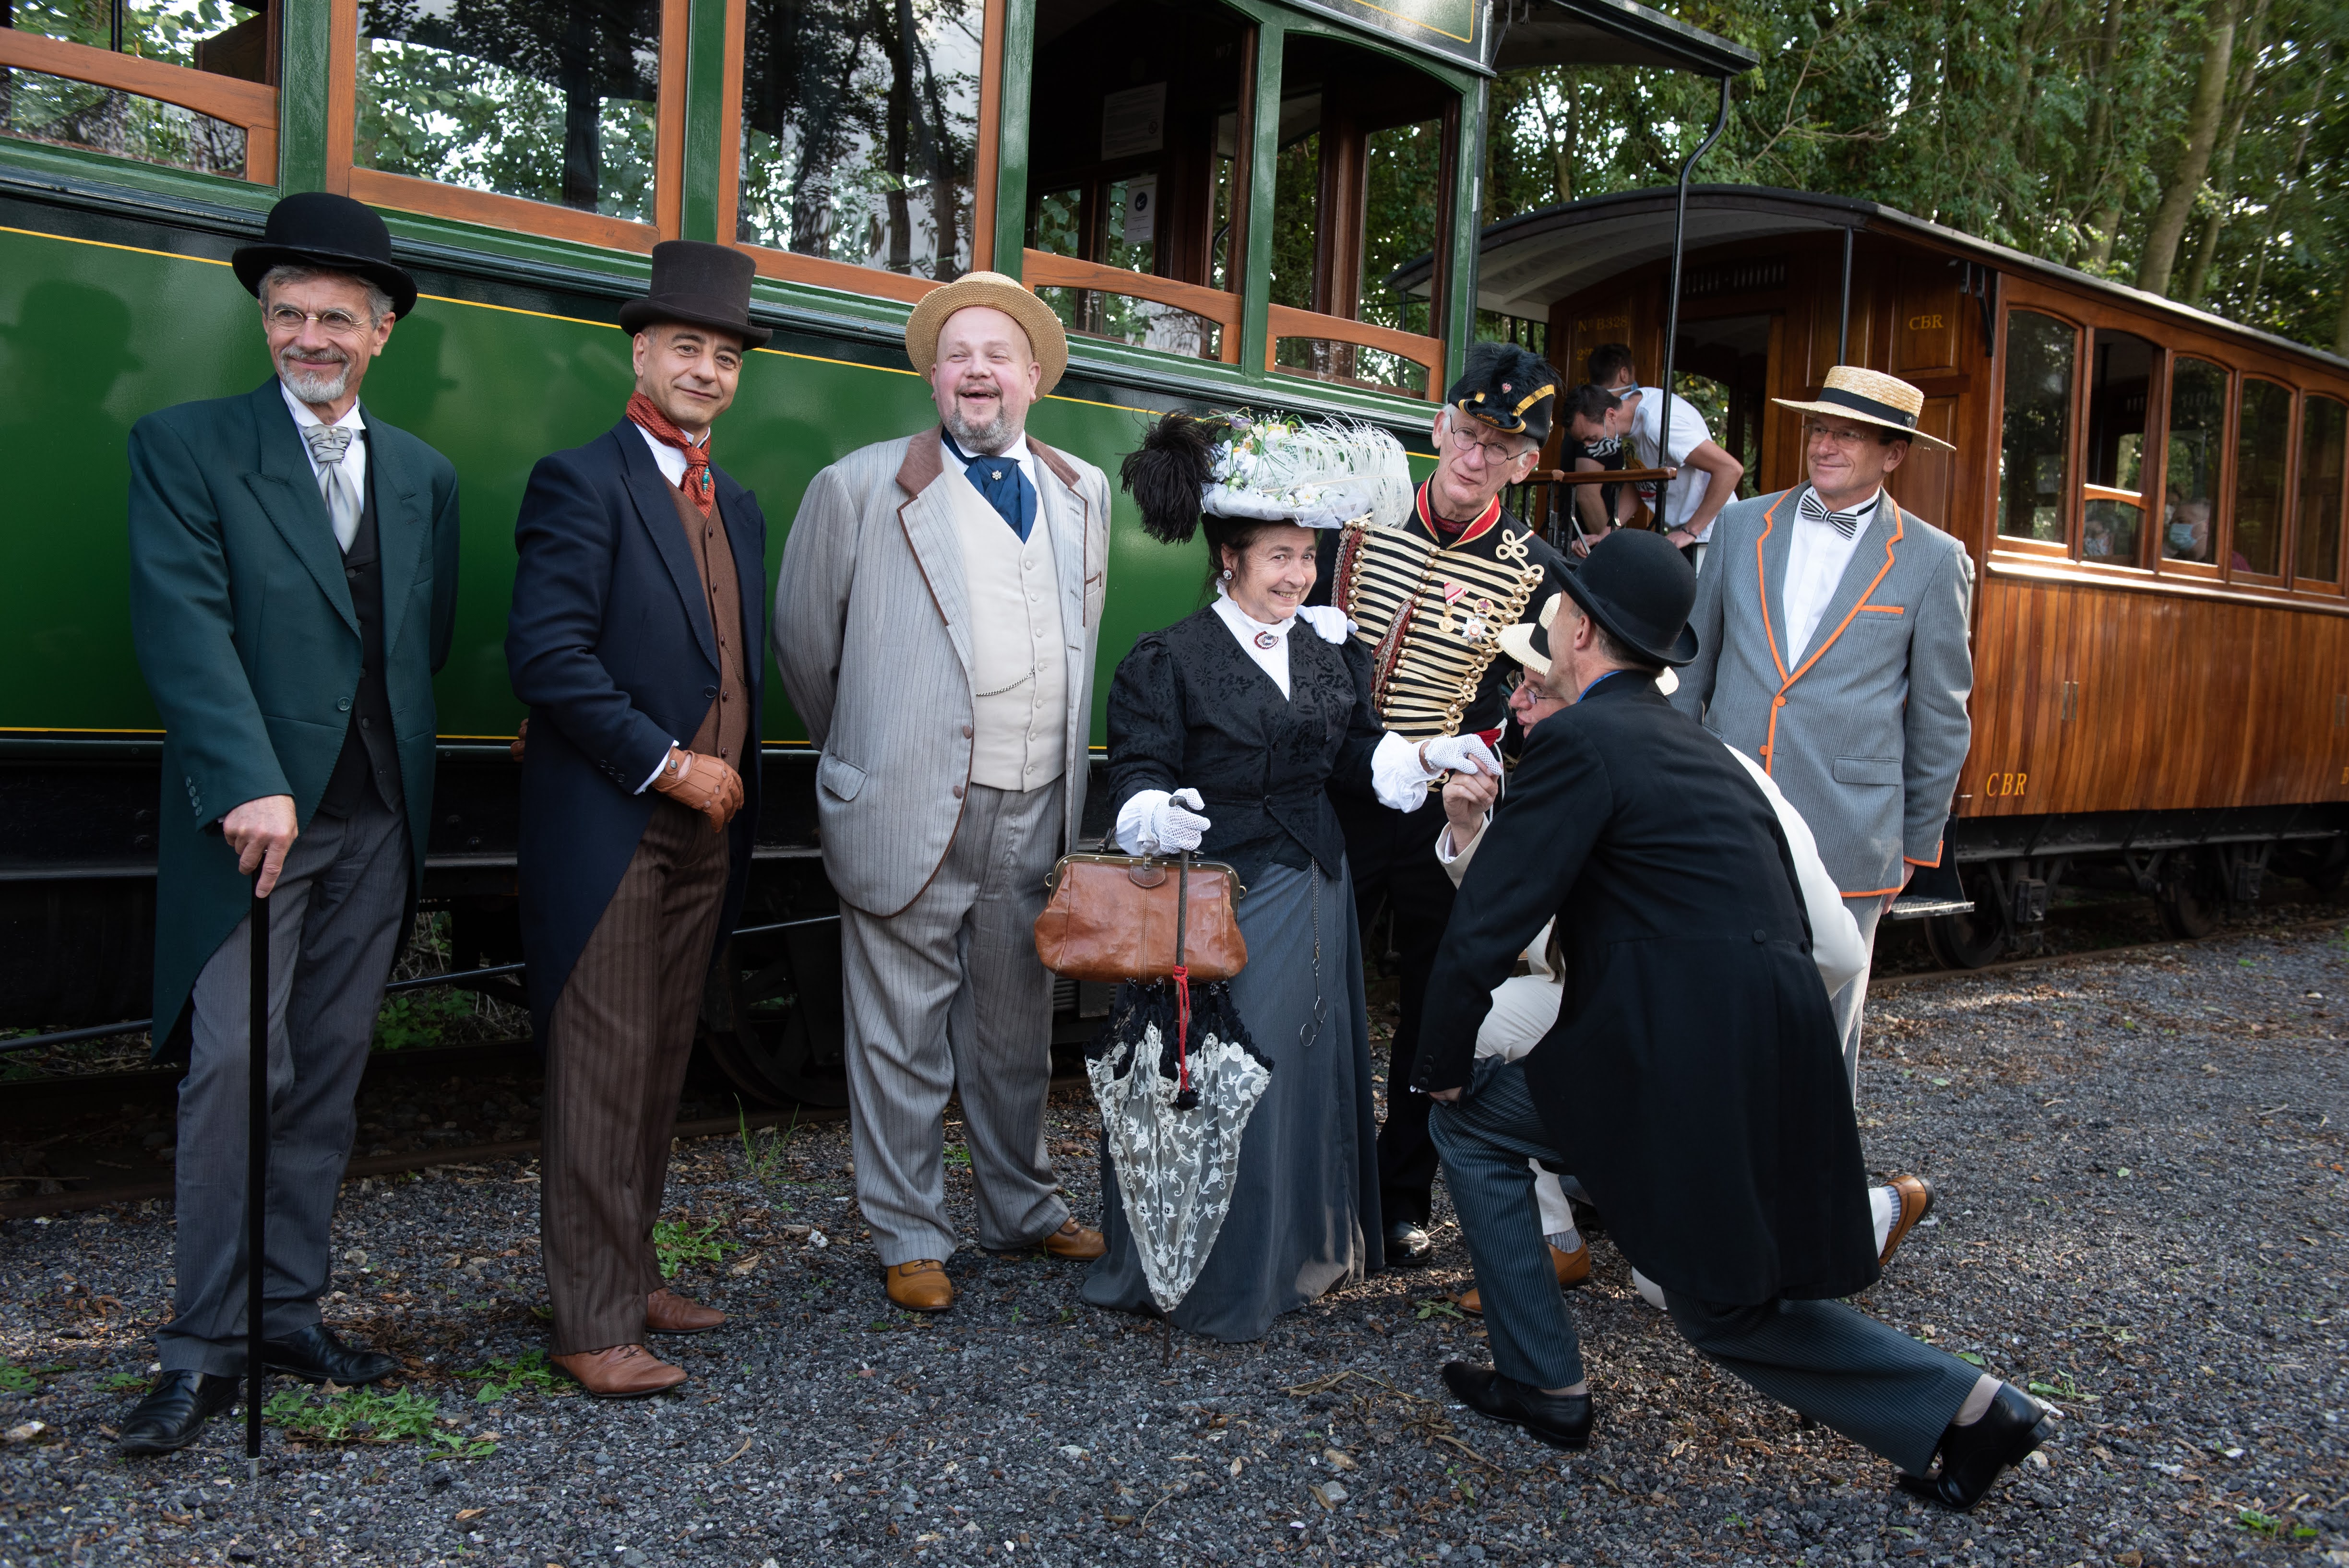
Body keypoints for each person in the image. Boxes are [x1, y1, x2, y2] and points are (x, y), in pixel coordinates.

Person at [1416, 531, 2051, 1511]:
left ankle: (1970, 1407)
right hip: (1770, 1041)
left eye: (1560, 612)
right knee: (1708, 1290)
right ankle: (1545, 1384)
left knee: (1699, 1294)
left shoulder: (1579, 742)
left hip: (1681, 1054)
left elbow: (1487, 922)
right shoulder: (1696, 747)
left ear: (1580, 631)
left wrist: (1440, 1061)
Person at [118, 192, 461, 1453]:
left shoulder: (423, 474)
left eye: (334, 318)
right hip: (256, 821)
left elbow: (419, 640)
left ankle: (286, 1313)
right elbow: (182, 626)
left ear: (380, 332)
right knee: (233, 1070)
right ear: (264, 322)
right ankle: (202, 1347)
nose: (309, 337)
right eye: (287, 314)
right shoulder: (186, 445)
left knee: (325, 1067)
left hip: (378, 812)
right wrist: (248, 776)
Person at [1086, 412, 1491, 1340]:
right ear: (1229, 558)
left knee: (1307, 1069)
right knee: (1232, 1077)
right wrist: (1154, 813)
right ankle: (1221, 1271)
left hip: (1320, 886)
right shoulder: (1169, 656)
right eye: (1279, 557)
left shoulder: (1326, 646)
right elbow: (1138, 770)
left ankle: (1304, 1252)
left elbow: (1354, 753)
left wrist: (1429, 754)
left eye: (1307, 557)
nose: (1298, 575)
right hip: (1222, 900)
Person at [1435, 594, 1932, 1318]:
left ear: (1582, 676)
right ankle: (1550, 1240)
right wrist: (1469, 831)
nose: (1514, 702)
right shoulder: (1561, 759)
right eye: (1517, 683)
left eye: (1533, 687)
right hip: (1600, 994)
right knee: (1479, 1024)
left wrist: (1713, 1024)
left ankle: (1863, 1211)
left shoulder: (1724, 774)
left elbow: (1833, 946)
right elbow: (1516, 925)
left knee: (1676, 1288)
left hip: (1699, 1018)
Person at [774, 272, 1111, 1316]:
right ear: (932, 377)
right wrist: (872, 753)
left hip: (1038, 797)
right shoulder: (857, 487)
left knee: (1016, 1025)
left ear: (1033, 377)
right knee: (900, 1029)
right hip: (907, 798)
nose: (976, 371)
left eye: (996, 355)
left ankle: (1022, 1204)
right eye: (957, 354)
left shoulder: (1084, 490)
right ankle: (911, 1230)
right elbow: (805, 647)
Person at [506, 241, 771, 1397]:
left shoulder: (735, 503)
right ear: (641, 353)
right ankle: (591, 1318)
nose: (706, 370)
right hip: (613, 820)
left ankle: (631, 1270)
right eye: (687, 347)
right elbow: (547, 657)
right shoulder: (580, 480)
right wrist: (668, 764)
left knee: (662, 1058)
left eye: (726, 356)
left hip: (708, 830)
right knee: (602, 1067)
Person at [1323, 341, 1569, 1269]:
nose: (1474, 457)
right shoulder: (1354, 523)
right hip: (1341, 797)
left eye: (1499, 447)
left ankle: (1400, 1196)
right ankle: (1317, 1180)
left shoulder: (1538, 569)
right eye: (1466, 433)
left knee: (1439, 1005)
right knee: (1317, 988)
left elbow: (1535, 703)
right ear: (1439, 427)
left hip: (1450, 816)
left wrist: (1491, 776)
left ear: (1526, 465)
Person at [1672, 365, 1974, 1092]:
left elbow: (1941, 715)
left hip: (1850, 829)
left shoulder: (1935, 559)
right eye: (1818, 428)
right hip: (1728, 812)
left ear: (1892, 454)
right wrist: (1670, 788)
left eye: (1847, 435)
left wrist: (1913, 844)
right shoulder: (1741, 523)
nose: (1824, 444)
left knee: (1823, 1030)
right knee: (1708, 1004)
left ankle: (1816, 1163)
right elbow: (1690, 665)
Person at [1578, 343, 1743, 566]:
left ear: (1610, 415)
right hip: (1689, 535)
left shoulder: (1657, 422)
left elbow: (1730, 469)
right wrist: (1607, 533)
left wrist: (1691, 530)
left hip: (1711, 535)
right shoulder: (1628, 421)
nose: (1589, 446)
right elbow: (1640, 482)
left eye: (1591, 438)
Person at [1556, 383, 1631, 553]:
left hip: (1582, 538)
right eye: (1586, 440)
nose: (1588, 446)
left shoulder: (1592, 423)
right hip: (1585, 544)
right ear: (1624, 375)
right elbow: (1587, 494)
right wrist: (1609, 547)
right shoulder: (1592, 424)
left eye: (1591, 439)